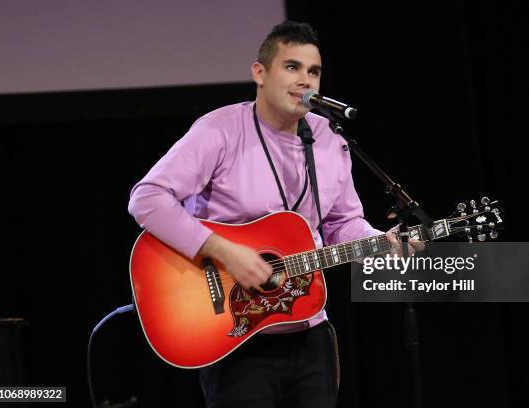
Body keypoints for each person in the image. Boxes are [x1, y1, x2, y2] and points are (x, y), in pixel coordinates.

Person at [128, 20, 419, 408]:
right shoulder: (220, 130)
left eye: (313, 71)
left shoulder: (330, 139)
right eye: (292, 67)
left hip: (310, 330)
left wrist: (379, 243)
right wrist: (225, 252)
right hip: (233, 335)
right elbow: (147, 199)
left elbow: (341, 224)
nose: (304, 80)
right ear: (260, 73)